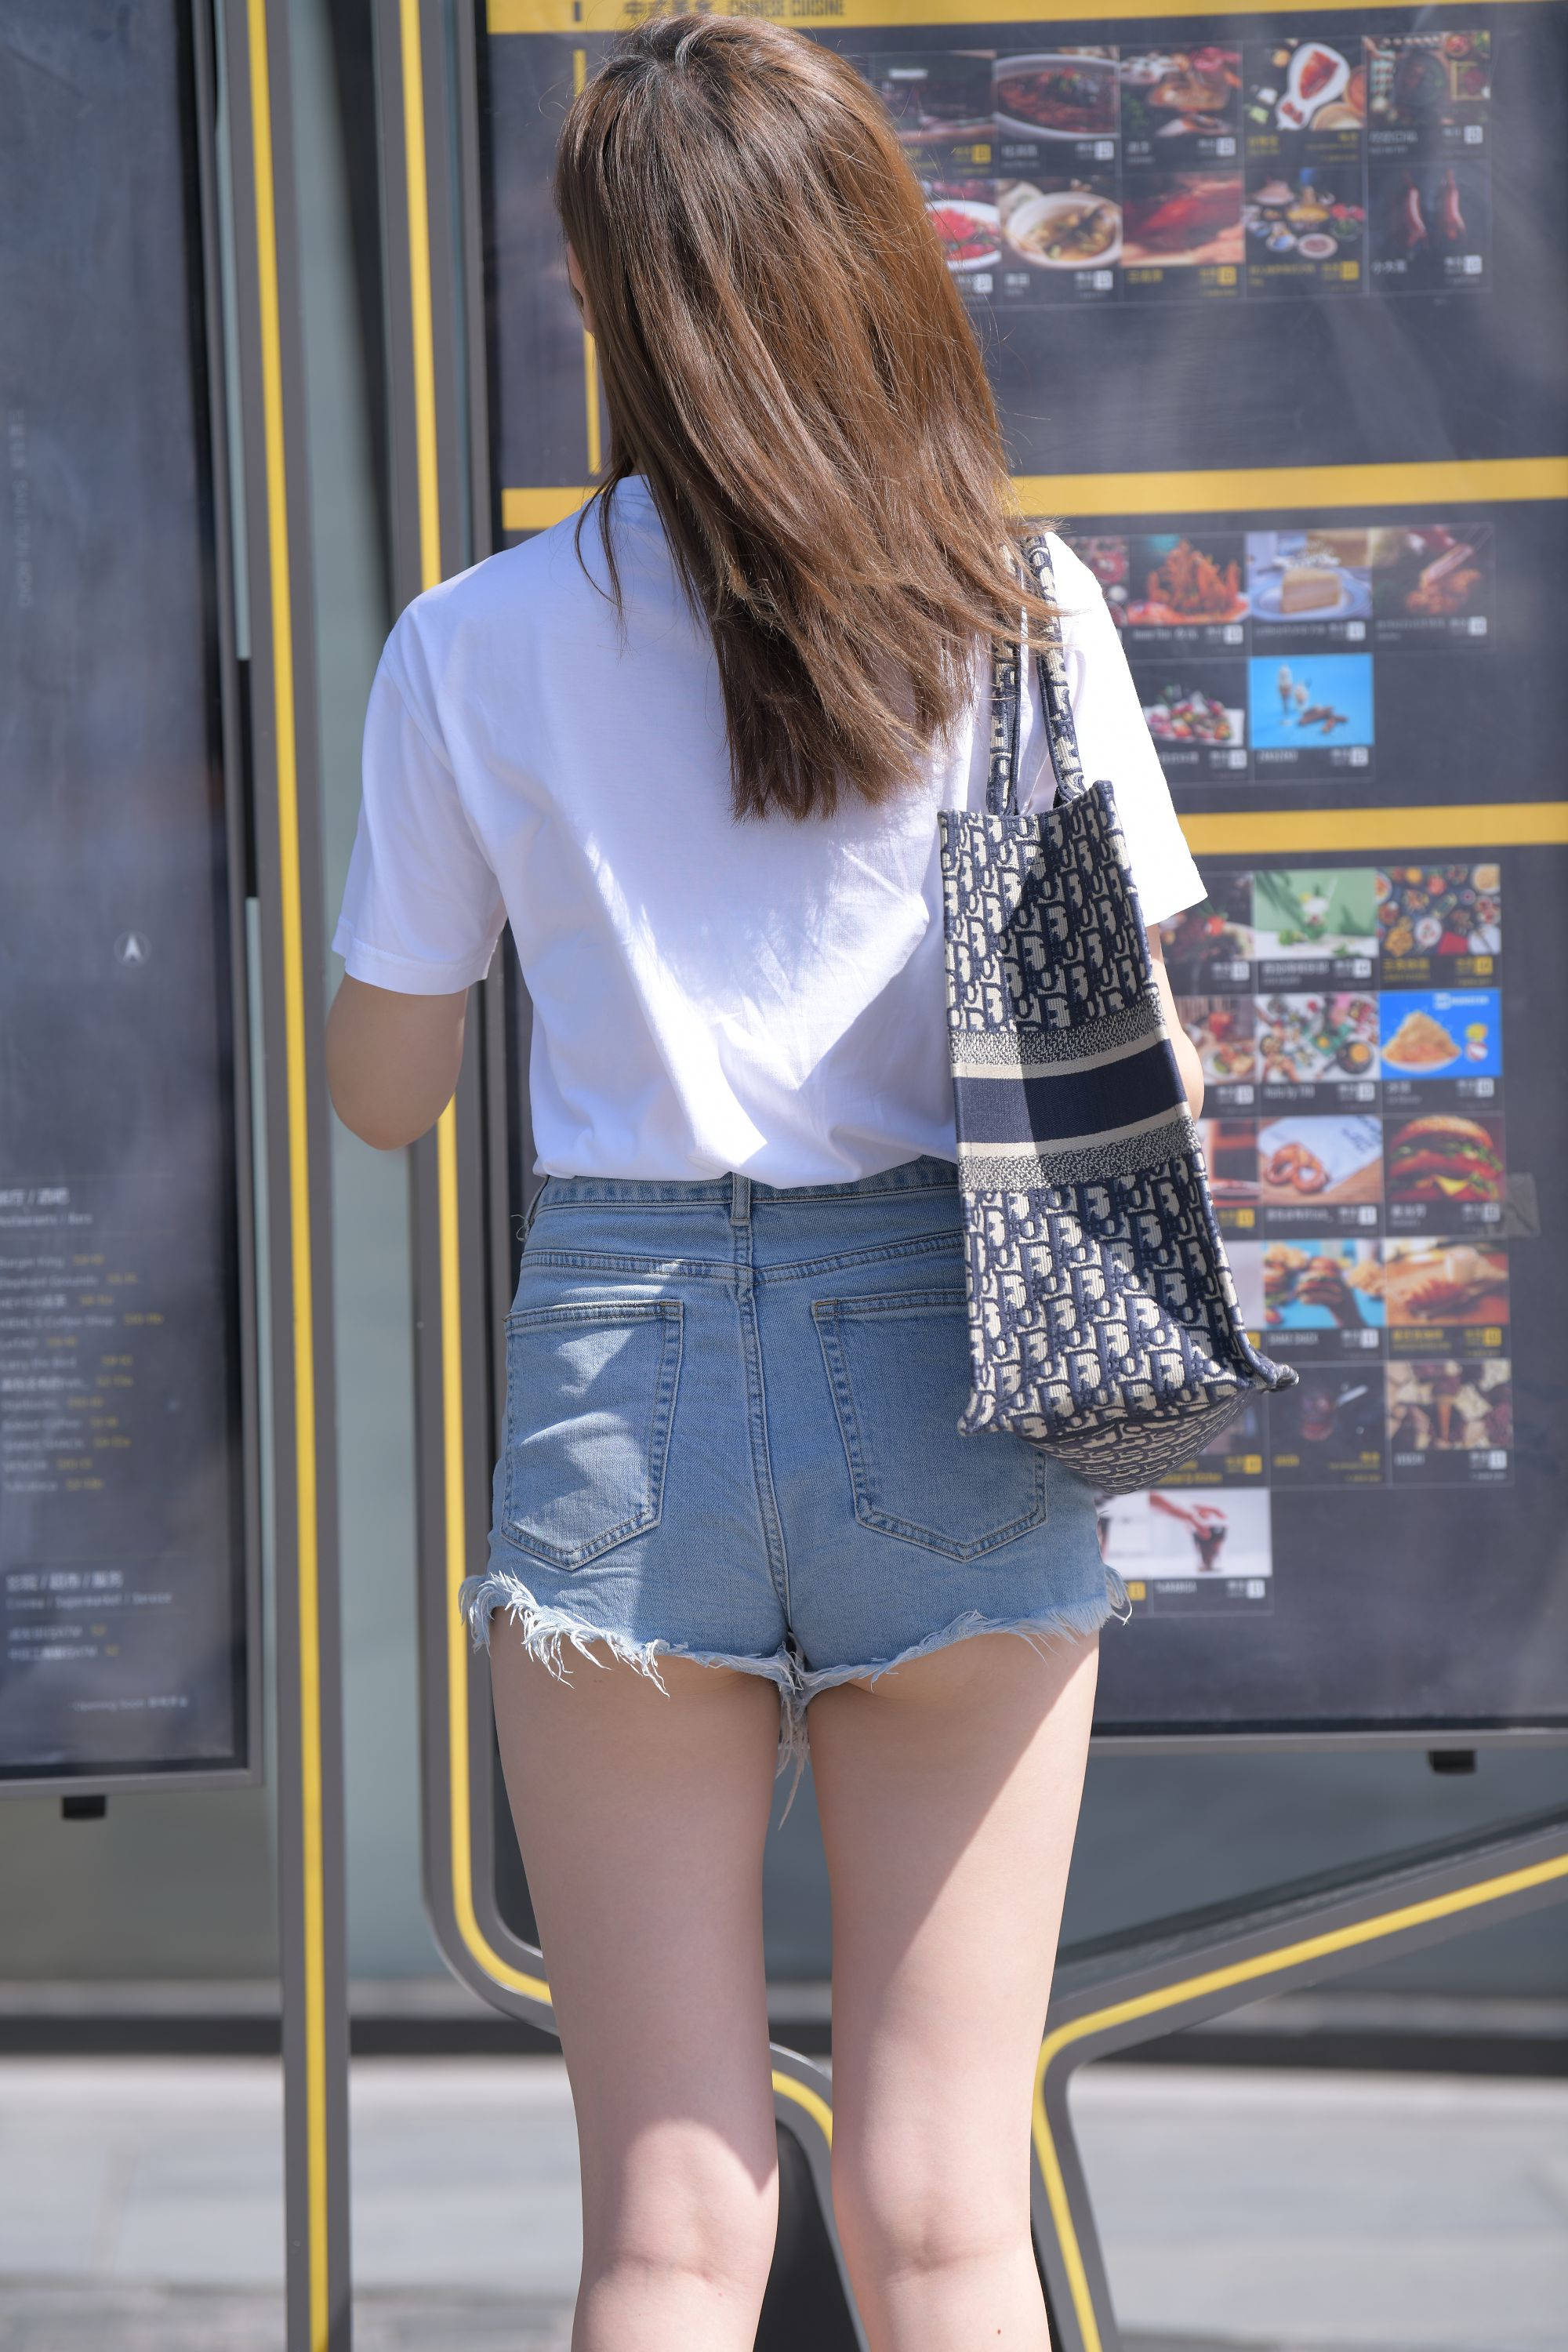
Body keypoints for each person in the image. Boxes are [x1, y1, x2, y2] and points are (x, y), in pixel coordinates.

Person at [326, 18, 1204, 2349]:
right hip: (961, 1363)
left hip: (624, 1383)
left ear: (600, 301)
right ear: (876, 269)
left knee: (670, 2231)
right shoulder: (1025, 615)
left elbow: (384, 1096)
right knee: (947, 2215)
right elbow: (1153, 1060)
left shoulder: (469, 644)